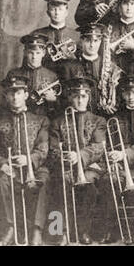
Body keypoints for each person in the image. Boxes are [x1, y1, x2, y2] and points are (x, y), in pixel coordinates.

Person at [0, 75, 50, 246]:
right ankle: (11, 227)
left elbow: (43, 148)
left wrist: (29, 159)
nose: (15, 97)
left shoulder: (40, 120)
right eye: (10, 93)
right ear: (6, 96)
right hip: (11, 169)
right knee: (3, 180)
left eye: (18, 92)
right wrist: (3, 163)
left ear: (26, 94)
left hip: (35, 168)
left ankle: (37, 230)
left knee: (44, 180)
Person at [98, 75, 134, 244]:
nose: (130, 96)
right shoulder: (116, 117)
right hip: (121, 168)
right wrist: (112, 155)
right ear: (122, 95)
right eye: (127, 93)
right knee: (108, 181)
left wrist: (125, 154)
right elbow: (108, 142)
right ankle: (113, 230)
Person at [48, 76, 106, 245]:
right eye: (76, 96)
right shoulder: (58, 122)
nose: (80, 100)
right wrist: (65, 157)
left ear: (89, 97)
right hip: (65, 165)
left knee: (88, 185)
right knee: (60, 183)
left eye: (84, 96)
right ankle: (60, 232)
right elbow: (52, 149)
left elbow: (98, 146)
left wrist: (79, 155)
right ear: (69, 98)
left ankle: (82, 231)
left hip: (90, 167)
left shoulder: (98, 121)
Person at [59, 23, 122, 115]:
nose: (92, 45)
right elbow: (64, 96)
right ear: (81, 41)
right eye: (88, 41)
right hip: (78, 116)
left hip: (105, 117)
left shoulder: (111, 66)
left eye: (96, 41)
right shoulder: (69, 67)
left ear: (100, 42)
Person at [7, 34, 61, 118]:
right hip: (19, 117)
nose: (34, 57)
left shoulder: (52, 76)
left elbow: (58, 109)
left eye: (38, 53)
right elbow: (5, 101)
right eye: (30, 53)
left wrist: (53, 99)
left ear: (43, 53)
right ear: (25, 53)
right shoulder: (13, 74)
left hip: (45, 120)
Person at [31, 0, 79, 72]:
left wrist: (73, 58)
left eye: (60, 9)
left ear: (66, 12)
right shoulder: (37, 34)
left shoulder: (76, 35)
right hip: (45, 81)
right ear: (48, 12)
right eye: (53, 9)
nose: (57, 13)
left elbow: (82, 67)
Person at [108, 0, 134, 66]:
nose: (128, 8)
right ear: (120, 7)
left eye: (132, 4)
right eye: (125, 3)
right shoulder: (110, 28)